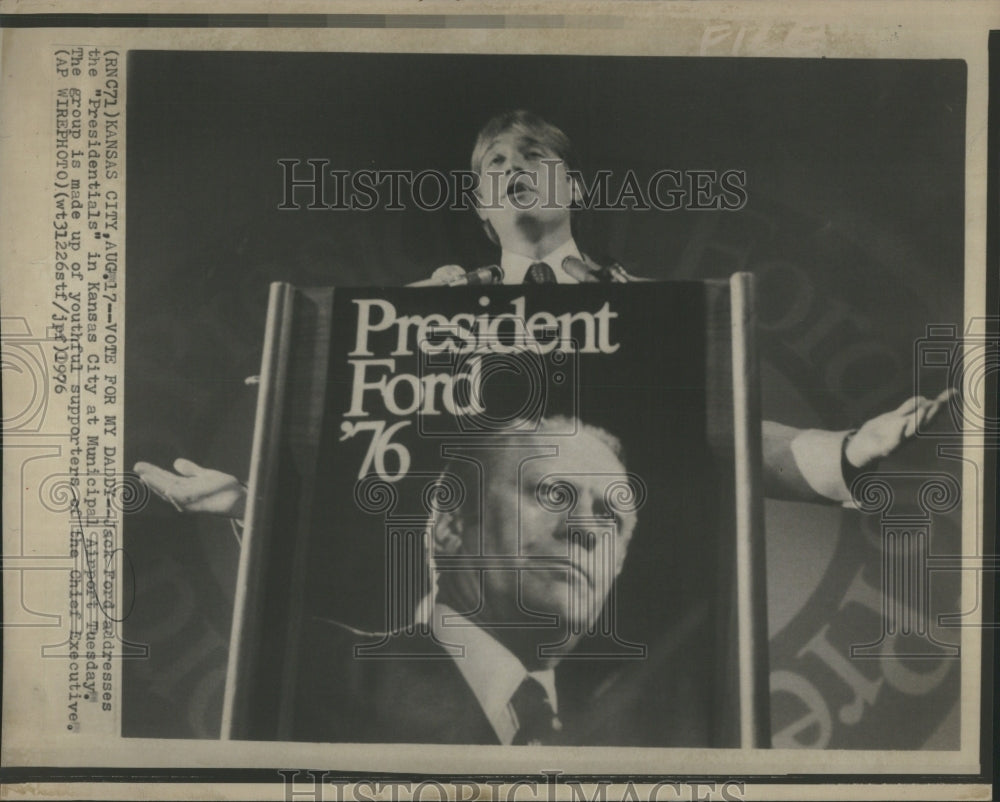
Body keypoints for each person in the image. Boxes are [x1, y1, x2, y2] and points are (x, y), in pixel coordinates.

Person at [134, 109, 952, 515]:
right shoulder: (431, 309)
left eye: (536, 156)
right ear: (482, 208)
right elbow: (358, 450)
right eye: (495, 163)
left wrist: (845, 447)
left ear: (576, 187)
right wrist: (252, 501)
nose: (515, 168)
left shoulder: (646, 306)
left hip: (628, 587)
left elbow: (731, 440)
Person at [290, 415, 711, 746]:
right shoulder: (315, 668)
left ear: (616, 566)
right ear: (451, 525)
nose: (585, 528)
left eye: (609, 518)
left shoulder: (630, 740)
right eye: (552, 493)